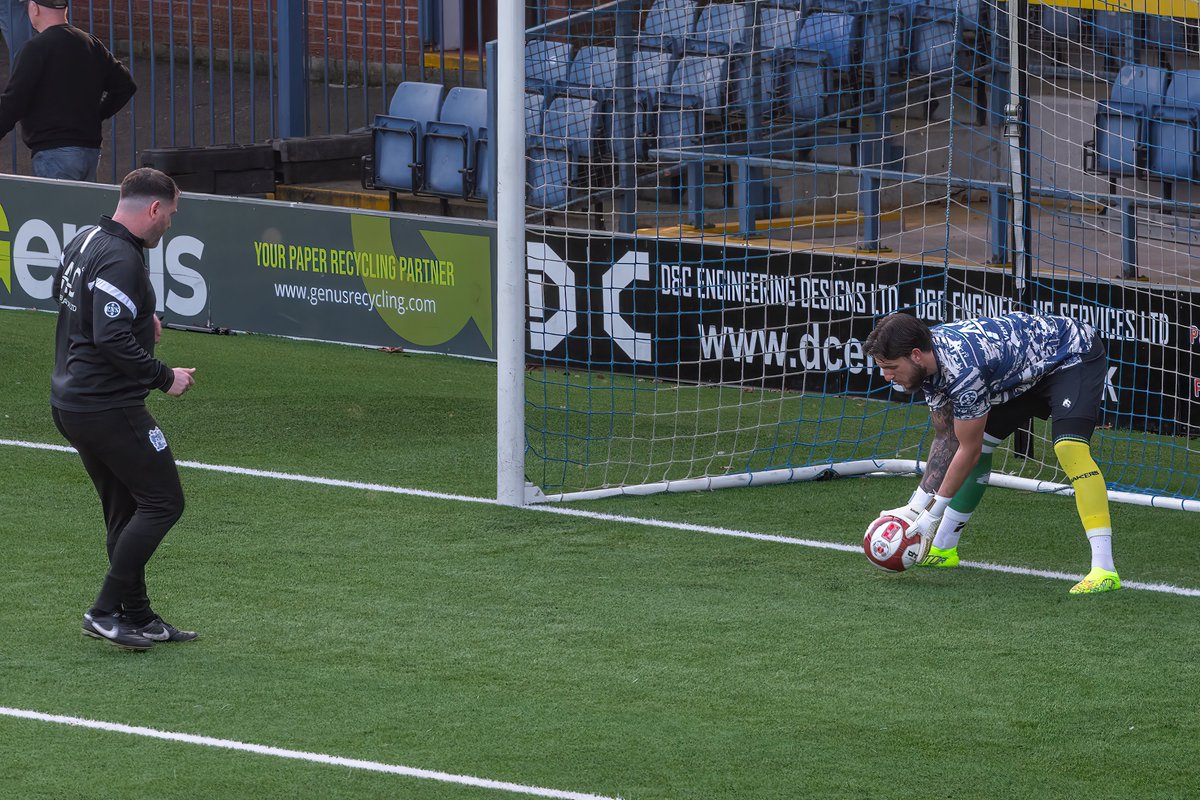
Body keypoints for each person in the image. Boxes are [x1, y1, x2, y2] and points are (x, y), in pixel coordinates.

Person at [863, 311, 1120, 595]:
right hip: (1023, 373)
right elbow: (947, 439)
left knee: (1069, 448)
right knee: (980, 440)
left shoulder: (962, 370)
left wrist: (932, 514)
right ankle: (944, 548)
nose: (886, 376)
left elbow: (967, 451)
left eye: (890, 367)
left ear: (915, 356)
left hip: (1071, 355)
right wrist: (914, 507)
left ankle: (1104, 569)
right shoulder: (928, 365)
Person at [51, 167, 197, 651]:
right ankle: (103, 610)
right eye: (171, 215)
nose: (169, 225)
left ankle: (138, 616)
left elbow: (69, 296)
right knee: (163, 502)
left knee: (125, 510)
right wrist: (164, 377)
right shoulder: (121, 257)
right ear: (154, 209)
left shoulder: (88, 237)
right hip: (107, 407)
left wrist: (141, 314)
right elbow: (109, 337)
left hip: (72, 402)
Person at [0, 0, 136, 181]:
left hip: (53, 152)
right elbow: (125, 85)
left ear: (34, 7)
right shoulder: (89, 43)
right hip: (89, 149)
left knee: (56, 208)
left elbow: (14, 102)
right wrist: (97, 115)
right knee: (81, 208)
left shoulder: (35, 48)